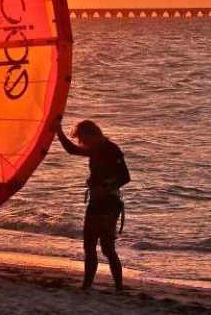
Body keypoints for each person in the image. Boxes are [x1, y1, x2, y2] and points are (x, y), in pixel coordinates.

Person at [51, 116, 130, 293]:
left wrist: (104, 188)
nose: (82, 143)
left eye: (83, 139)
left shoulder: (111, 149)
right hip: (95, 203)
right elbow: (72, 150)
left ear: (94, 134)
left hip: (110, 203)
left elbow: (125, 177)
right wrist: (58, 132)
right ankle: (87, 285)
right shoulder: (94, 149)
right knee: (89, 245)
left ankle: (119, 288)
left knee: (108, 248)